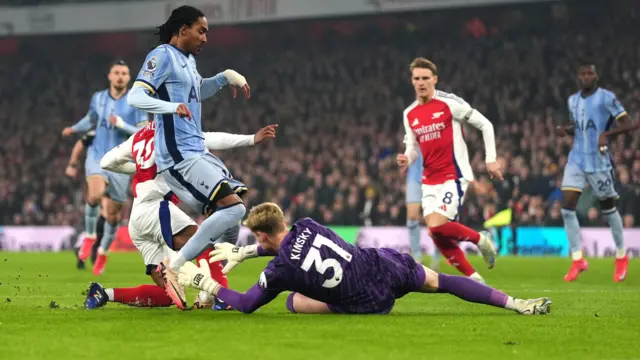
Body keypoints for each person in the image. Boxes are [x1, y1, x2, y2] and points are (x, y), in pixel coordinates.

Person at [178, 202, 552, 315]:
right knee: (444, 284)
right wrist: (248, 252)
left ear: (261, 235)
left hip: (367, 302)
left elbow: (245, 304)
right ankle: (513, 303)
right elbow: (286, 244)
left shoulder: (280, 271)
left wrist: (206, 282)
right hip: (386, 264)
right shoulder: (308, 223)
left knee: (294, 302)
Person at [127, 5, 252, 306]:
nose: (205, 38)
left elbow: (197, 91)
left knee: (231, 223)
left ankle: (209, 294)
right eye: (201, 30)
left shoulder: (188, 61)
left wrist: (224, 77)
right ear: (182, 30)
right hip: (179, 156)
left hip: (198, 152)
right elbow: (136, 96)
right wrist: (170, 108)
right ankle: (175, 266)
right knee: (234, 209)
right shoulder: (162, 56)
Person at [83, 122, 277, 310]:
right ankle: (221, 297)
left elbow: (106, 162)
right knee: (203, 241)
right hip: (156, 207)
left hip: (138, 218)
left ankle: (104, 293)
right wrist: (251, 139)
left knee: (168, 293)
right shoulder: (174, 132)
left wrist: (139, 168)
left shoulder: (138, 136)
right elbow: (211, 139)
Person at [396, 57, 500, 283]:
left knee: (437, 225)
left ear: (434, 79)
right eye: (417, 78)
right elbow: (413, 147)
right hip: (428, 179)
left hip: (454, 175)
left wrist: (491, 159)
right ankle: (475, 279)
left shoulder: (449, 103)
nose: (421, 82)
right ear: (412, 81)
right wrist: (407, 158)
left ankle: (480, 240)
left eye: (425, 78)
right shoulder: (409, 113)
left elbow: (485, 124)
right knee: (435, 233)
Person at [62, 60, 149, 275]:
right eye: (116, 72)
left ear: (129, 78)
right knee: (95, 195)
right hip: (97, 156)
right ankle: (90, 236)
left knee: (113, 216)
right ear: (110, 76)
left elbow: (143, 132)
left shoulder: (136, 101)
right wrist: (74, 129)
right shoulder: (98, 98)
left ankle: (103, 252)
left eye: (124, 73)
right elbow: (90, 119)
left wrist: (120, 124)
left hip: (121, 160)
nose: (120, 76)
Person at [556, 62, 635, 282]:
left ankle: (621, 256)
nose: (587, 76)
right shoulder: (572, 100)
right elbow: (579, 126)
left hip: (599, 162)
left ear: (596, 76)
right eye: (583, 73)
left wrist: (606, 135)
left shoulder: (606, 97)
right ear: (578, 77)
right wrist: (566, 130)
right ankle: (577, 259)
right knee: (567, 208)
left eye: (590, 73)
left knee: (609, 210)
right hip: (576, 159)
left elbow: (629, 124)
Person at [64, 130, 105, 269]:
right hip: (94, 197)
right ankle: (85, 254)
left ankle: (85, 253)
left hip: (95, 195)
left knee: (96, 228)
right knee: (97, 227)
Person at [404, 140, 441, 269]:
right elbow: (409, 149)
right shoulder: (412, 128)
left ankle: (436, 256)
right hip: (414, 177)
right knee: (412, 217)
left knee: (435, 221)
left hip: (434, 177)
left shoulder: (437, 127)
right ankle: (417, 255)